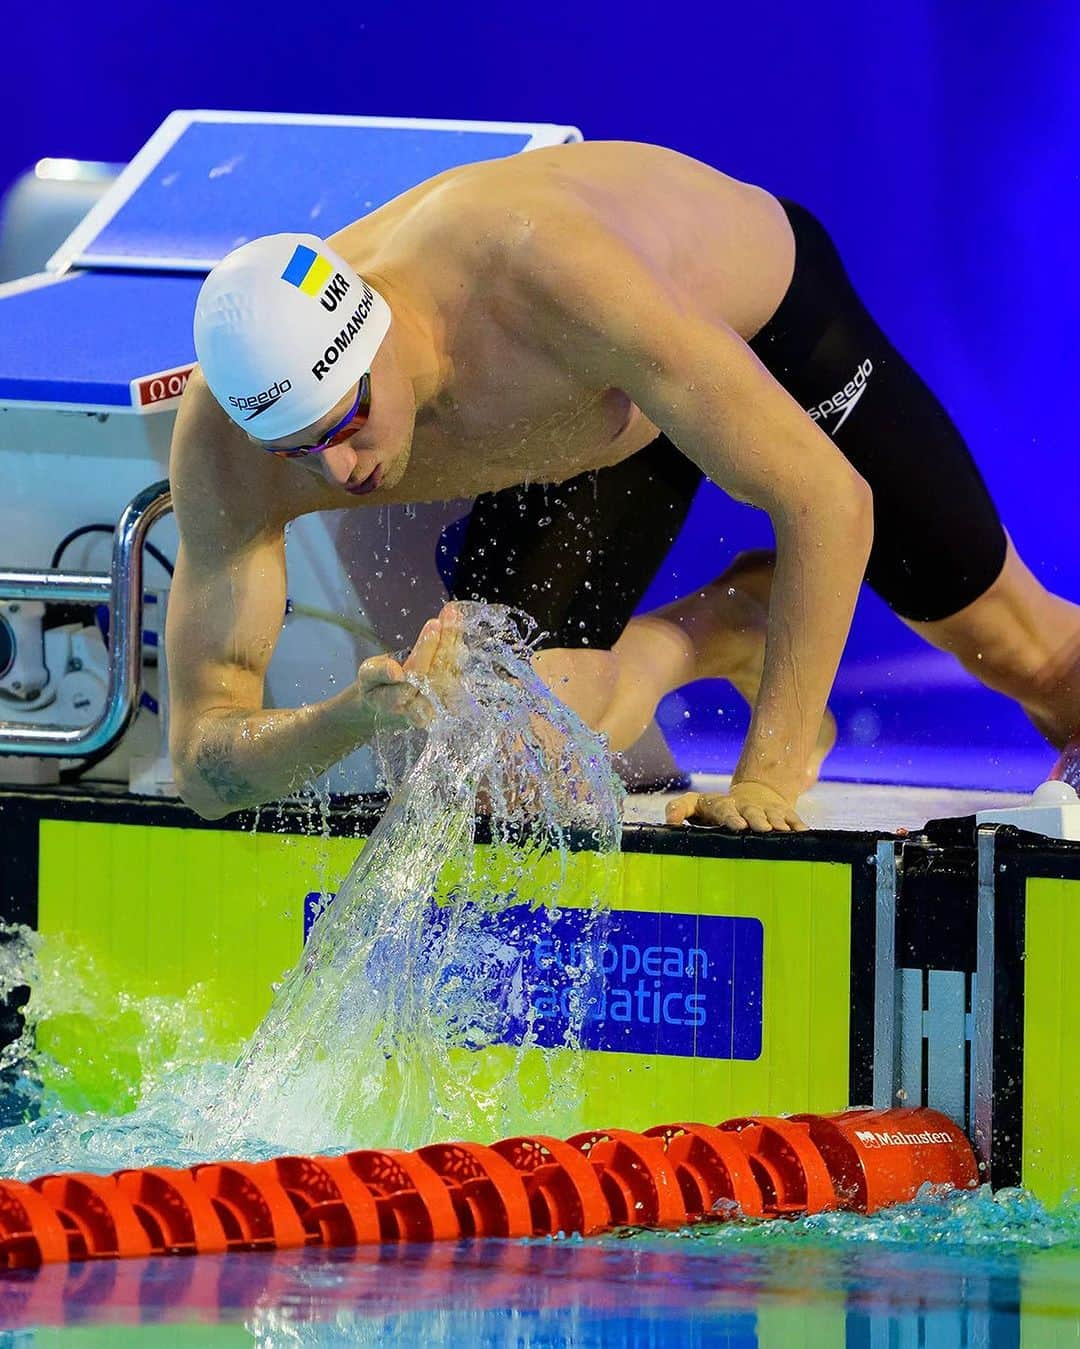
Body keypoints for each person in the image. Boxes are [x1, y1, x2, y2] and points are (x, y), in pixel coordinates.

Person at [167, 141, 1080, 832]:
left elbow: (829, 501)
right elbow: (206, 771)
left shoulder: (541, 280)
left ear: (379, 332)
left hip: (751, 320)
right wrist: (347, 719)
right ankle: (720, 630)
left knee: (1033, 657)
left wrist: (763, 780)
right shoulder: (228, 444)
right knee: (497, 761)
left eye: (348, 420)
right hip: (587, 428)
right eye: (299, 447)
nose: (340, 469)